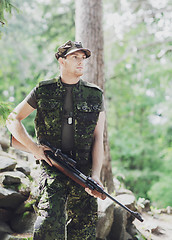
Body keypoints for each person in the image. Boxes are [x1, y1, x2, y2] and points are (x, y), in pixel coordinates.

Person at [6, 40, 105, 240]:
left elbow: (98, 139)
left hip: (82, 172)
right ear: (61, 61)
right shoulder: (43, 91)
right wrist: (34, 148)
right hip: (52, 168)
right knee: (49, 224)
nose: (81, 62)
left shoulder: (94, 95)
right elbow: (12, 119)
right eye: (75, 57)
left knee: (84, 231)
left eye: (83, 58)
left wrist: (95, 175)